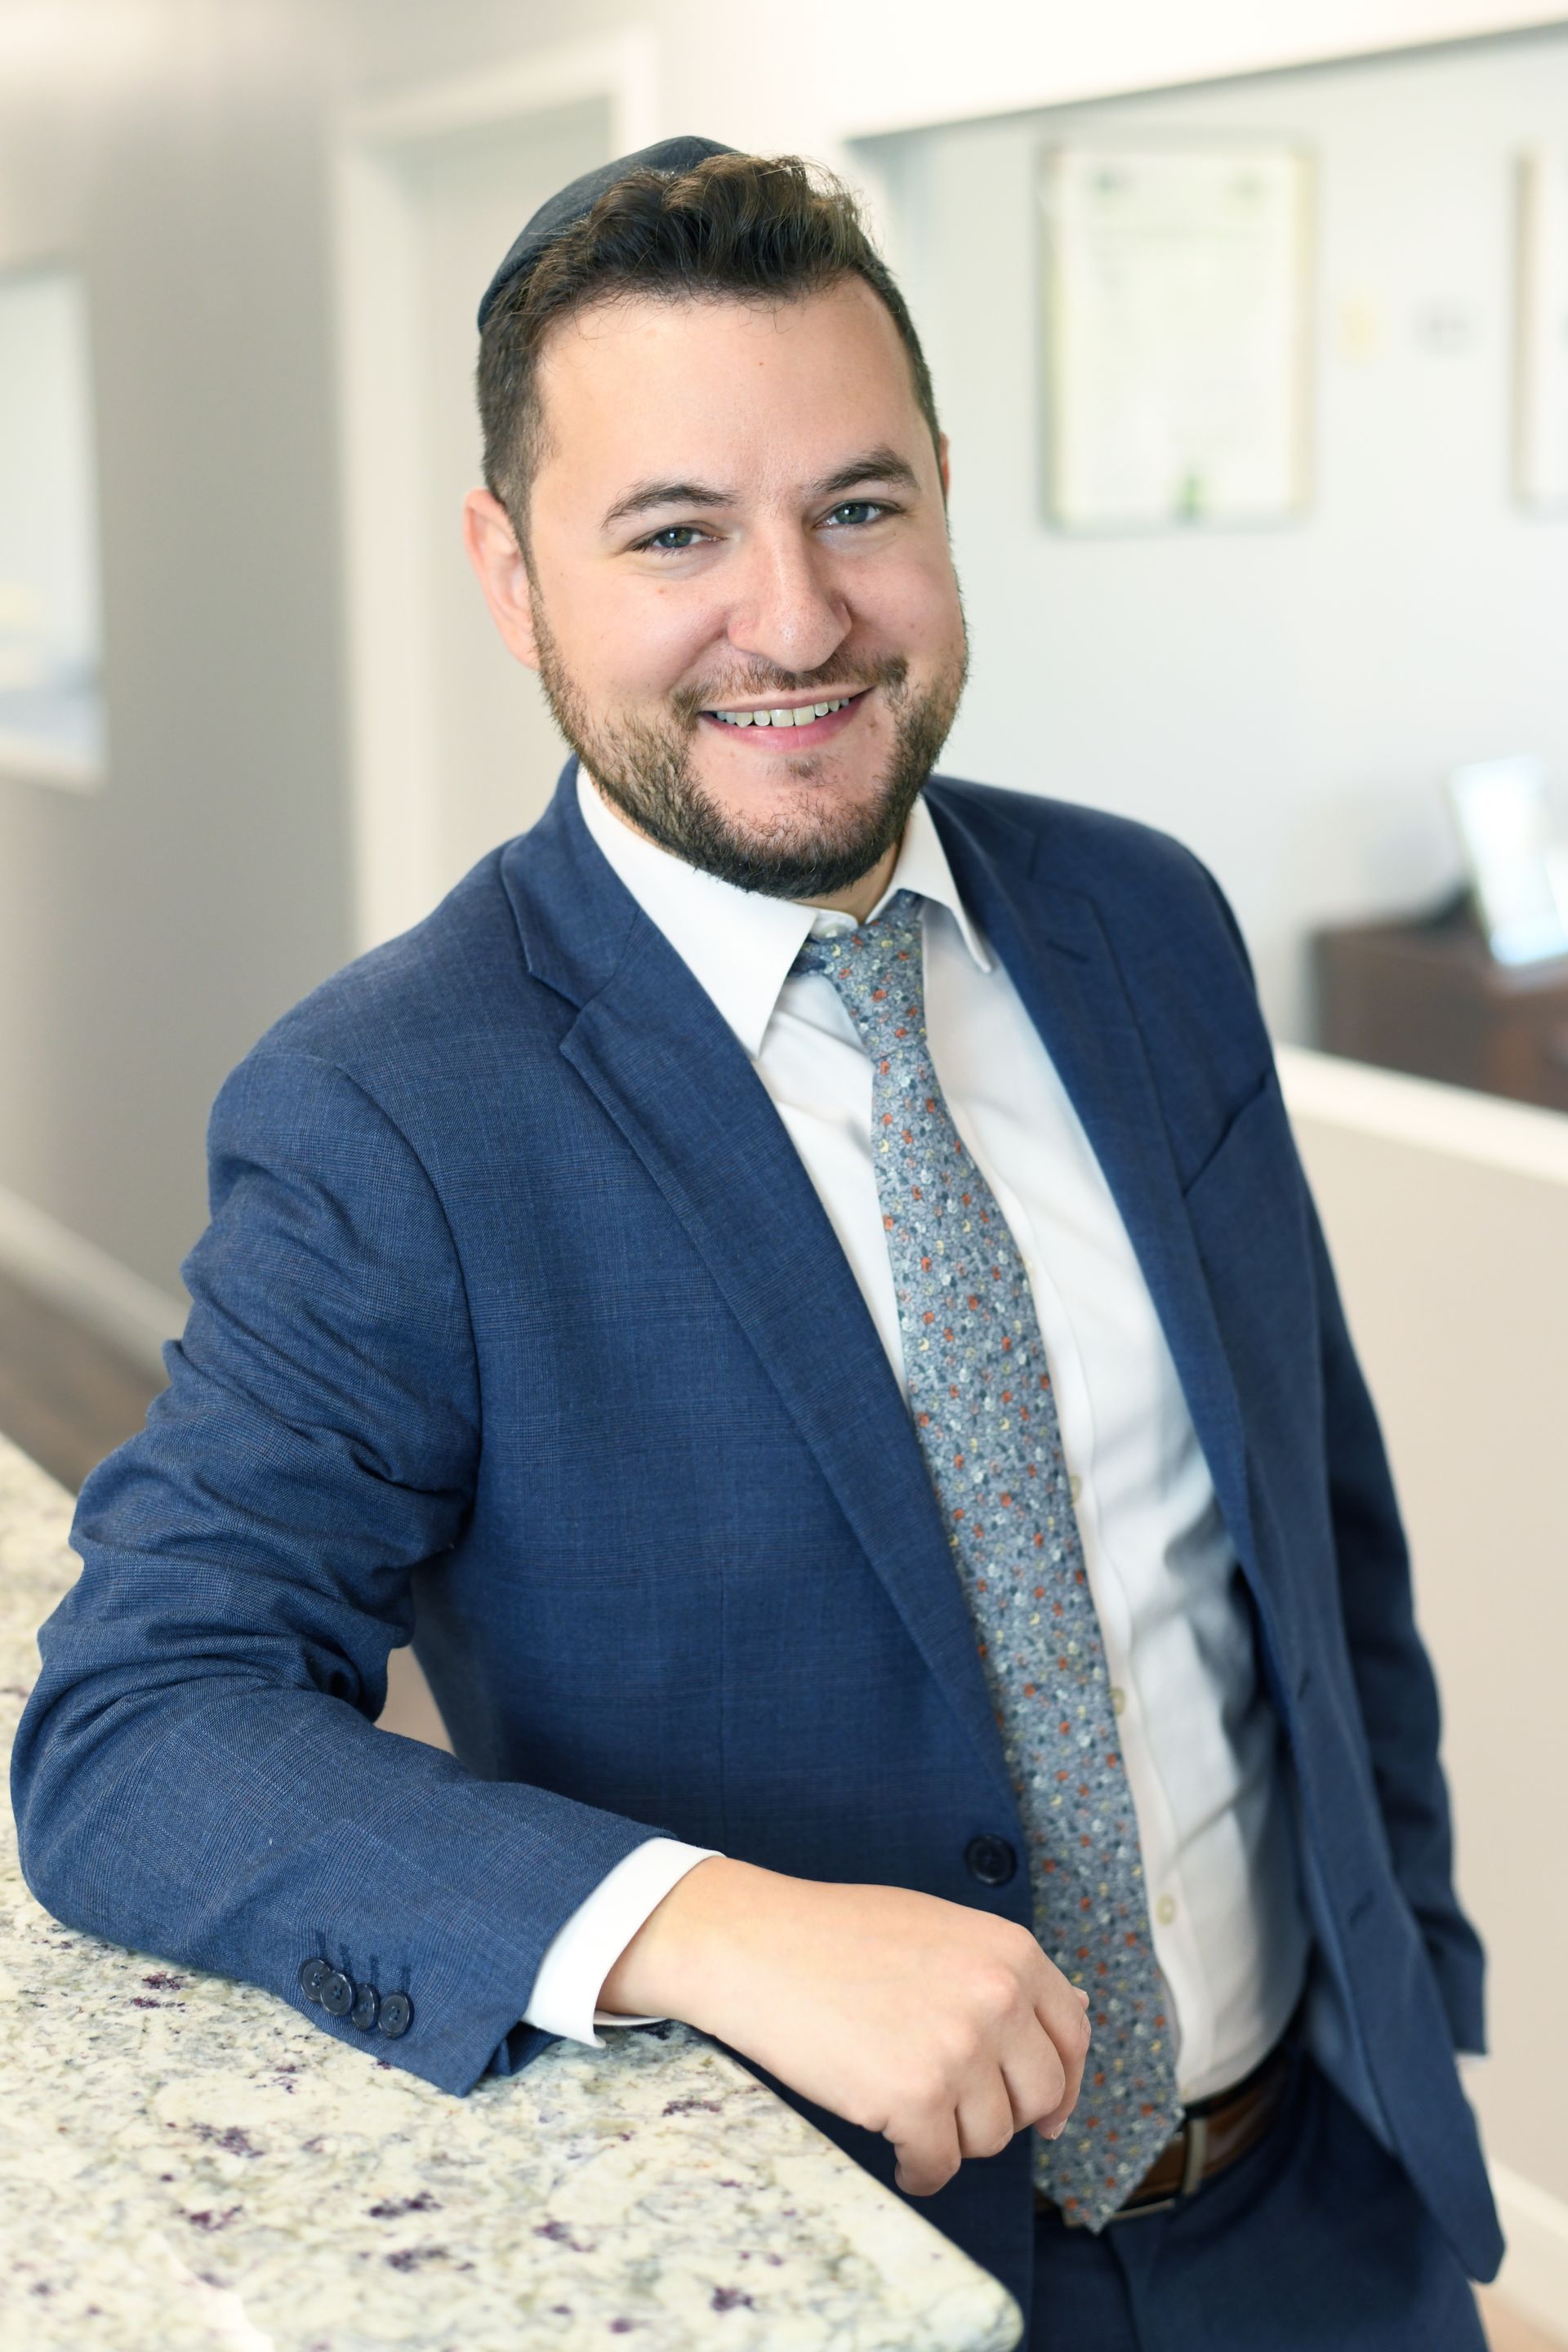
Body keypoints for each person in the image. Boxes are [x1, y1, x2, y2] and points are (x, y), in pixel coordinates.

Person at [11, 138, 1500, 2348]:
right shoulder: (394, 1113)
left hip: (1319, 2219)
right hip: (833, 2270)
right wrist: (703, 1921)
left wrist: (1417, 1973)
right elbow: (138, 1728)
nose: (794, 619)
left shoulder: (1148, 926)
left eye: (859, 507)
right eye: (677, 533)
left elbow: (1310, 1518)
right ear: (510, 576)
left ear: (946, 501)